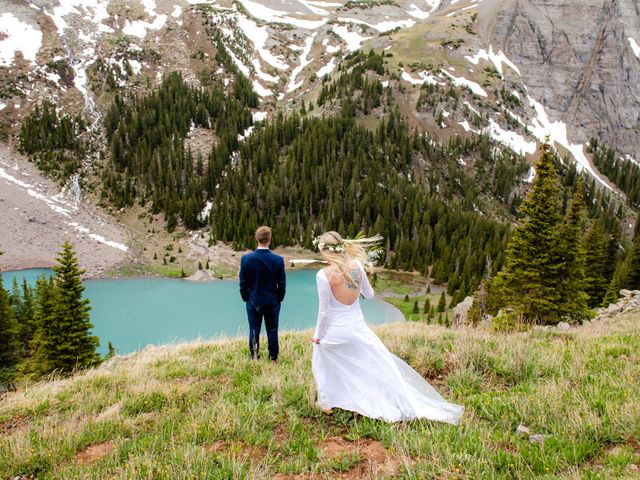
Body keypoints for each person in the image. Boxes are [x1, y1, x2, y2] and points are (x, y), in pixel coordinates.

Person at [311, 231, 464, 424]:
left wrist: (318, 336)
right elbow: (370, 295)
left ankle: (327, 402)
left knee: (322, 355)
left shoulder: (323, 275)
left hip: (336, 332)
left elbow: (325, 311)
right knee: (363, 362)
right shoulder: (357, 266)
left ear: (325, 251)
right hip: (357, 330)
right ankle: (358, 397)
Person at [239, 226, 286, 361]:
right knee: (272, 329)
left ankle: (254, 355)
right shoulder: (278, 260)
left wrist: (246, 298)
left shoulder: (246, 259)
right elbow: (281, 284)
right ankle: (273, 357)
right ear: (270, 240)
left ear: (256, 239)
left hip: (253, 301)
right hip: (272, 301)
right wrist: (279, 299)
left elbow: (243, 283)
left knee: (254, 330)